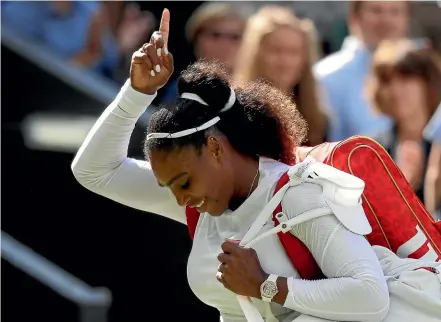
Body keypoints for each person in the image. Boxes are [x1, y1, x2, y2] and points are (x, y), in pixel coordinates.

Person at [72, 9, 441, 322]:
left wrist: (265, 284)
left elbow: (369, 296)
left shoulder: (298, 195)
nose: (180, 200)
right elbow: (94, 171)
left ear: (215, 149)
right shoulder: (199, 202)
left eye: (183, 183)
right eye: (171, 187)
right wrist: (137, 93)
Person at [314, 1, 410, 145]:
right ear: (354, 17)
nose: (386, 20)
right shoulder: (327, 77)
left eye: (395, 12)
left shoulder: (424, 73)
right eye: (376, 11)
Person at [233, 6, 328, 146]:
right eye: (276, 50)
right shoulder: (235, 113)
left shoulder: (318, 119)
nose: (284, 61)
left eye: (293, 52)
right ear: (256, 54)